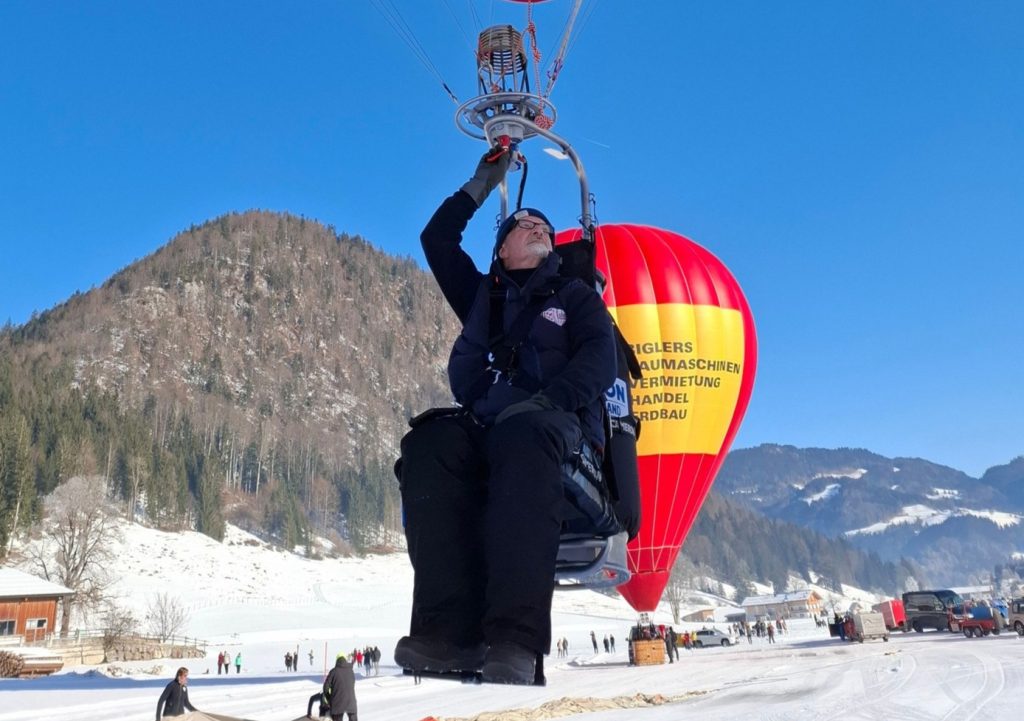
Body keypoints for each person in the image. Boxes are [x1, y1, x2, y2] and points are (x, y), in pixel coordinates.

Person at [393, 146, 616, 686]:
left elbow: (600, 360)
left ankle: (514, 640)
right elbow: (437, 241)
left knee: (522, 435)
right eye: (525, 224)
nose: (539, 226)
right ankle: (447, 634)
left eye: (545, 224)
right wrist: (477, 185)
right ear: (502, 249)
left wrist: (551, 399)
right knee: (430, 444)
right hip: (491, 430)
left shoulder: (577, 296)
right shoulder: (482, 300)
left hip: (557, 430)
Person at [323, 652, 357, 721]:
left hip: (337, 703)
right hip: (351, 702)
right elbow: (353, 683)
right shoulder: (351, 671)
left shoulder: (333, 672)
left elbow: (325, 687)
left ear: (337, 661)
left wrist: (329, 699)